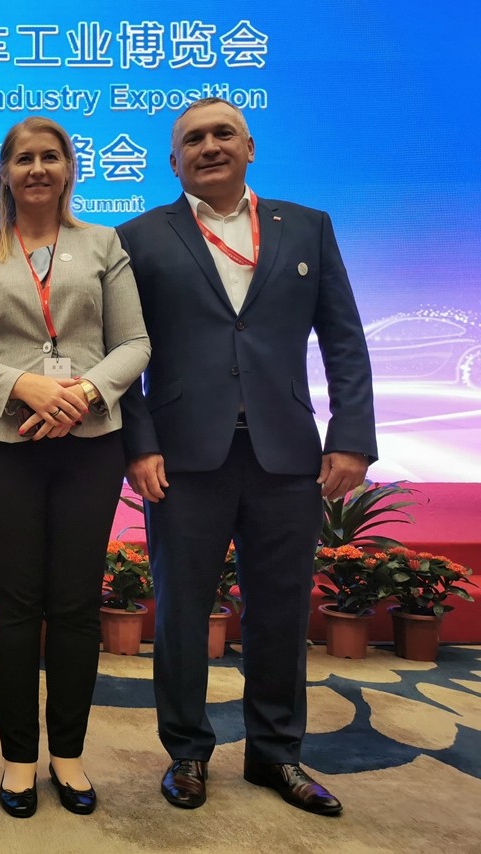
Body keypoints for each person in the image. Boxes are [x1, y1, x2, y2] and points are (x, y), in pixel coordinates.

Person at [117, 97, 377, 817]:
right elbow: (122, 351)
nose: (210, 146)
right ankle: (187, 753)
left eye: (223, 133)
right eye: (193, 139)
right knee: (180, 613)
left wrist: (352, 436)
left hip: (285, 454)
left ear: (250, 146)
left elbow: (344, 338)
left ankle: (275, 753)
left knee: (281, 612)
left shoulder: (308, 227)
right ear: (173, 162)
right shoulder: (139, 236)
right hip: (182, 457)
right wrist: (139, 443)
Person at [0, 116, 150, 819]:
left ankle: (68, 754)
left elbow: (134, 343)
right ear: (4, 173)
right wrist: (23, 387)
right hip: (4, 446)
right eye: (24, 158)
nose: (37, 168)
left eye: (50, 157)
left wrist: (83, 394)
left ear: (69, 170)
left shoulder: (104, 244)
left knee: (74, 604)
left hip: (90, 443)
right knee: (14, 603)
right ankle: (17, 759)